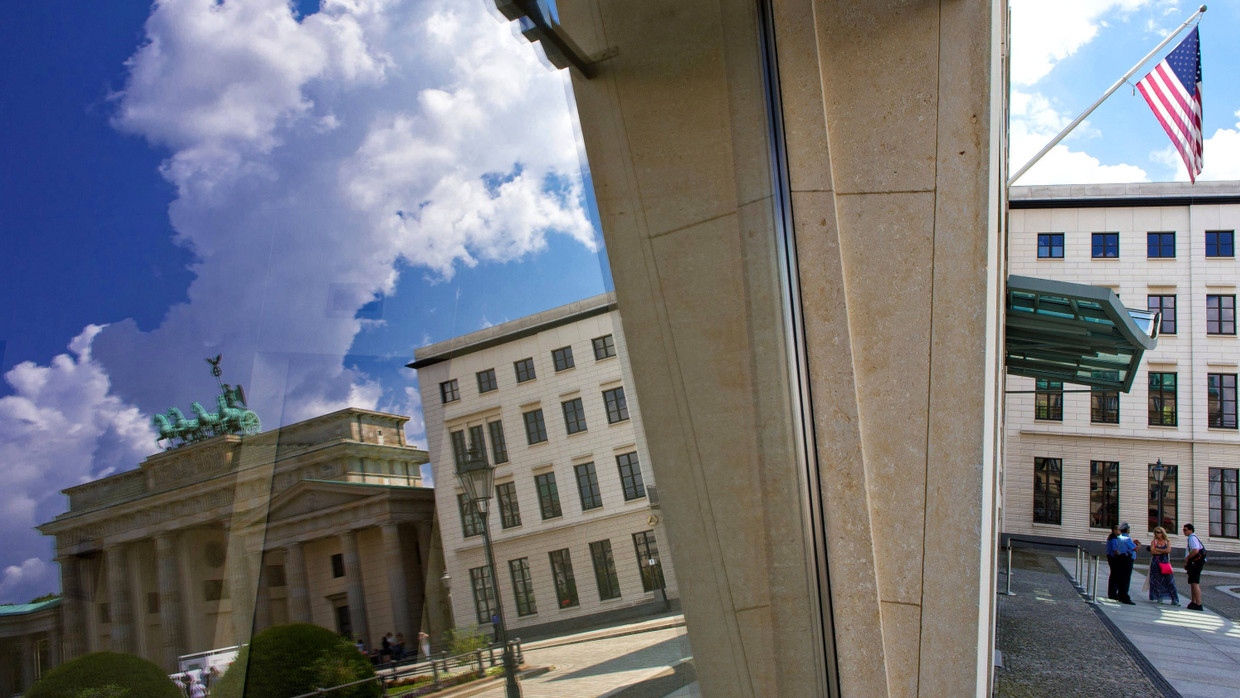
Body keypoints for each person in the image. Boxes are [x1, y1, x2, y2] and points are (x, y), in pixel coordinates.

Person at [1146, 526, 1179, 605]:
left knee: (1170, 581)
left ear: (1162, 533)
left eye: (1158, 532)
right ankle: (1159, 597)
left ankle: (1174, 599)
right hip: (1156, 563)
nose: (1157, 534)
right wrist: (1162, 551)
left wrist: (1158, 550)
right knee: (1157, 581)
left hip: (1165, 563)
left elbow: (1168, 550)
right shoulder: (1154, 541)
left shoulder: (1167, 541)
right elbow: (1153, 551)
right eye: (1155, 532)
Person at [1183, 523, 1207, 611]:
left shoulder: (1192, 538)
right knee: (1192, 582)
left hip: (1196, 563)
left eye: (1185, 530)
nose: (1184, 532)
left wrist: (1188, 558)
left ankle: (1199, 603)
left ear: (1190, 530)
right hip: (1195, 562)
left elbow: (1195, 550)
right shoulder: (1192, 537)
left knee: (1195, 582)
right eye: (1183, 530)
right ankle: (1193, 601)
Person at [1114, 522, 1140, 604]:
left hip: (1120, 558)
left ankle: (1120, 594)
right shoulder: (1127, 538)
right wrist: (1139, 545)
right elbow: (1135, 548)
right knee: (1126, 578)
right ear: (1127, 530)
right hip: (1127, 559)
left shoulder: (1119, 537)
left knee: (1121, 577)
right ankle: (1124, 596)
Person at [1105, 524, 1122, 600]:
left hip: (1111, 557)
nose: (1120, 531)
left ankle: (1112, 593)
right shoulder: (1113, 538)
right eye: (1118, 529)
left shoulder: (1111, 537)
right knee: (1115, 576)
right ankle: (1113, 594)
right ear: (1114, 530)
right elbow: (1115, 550)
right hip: (1114, 558)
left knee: (1113, 576)